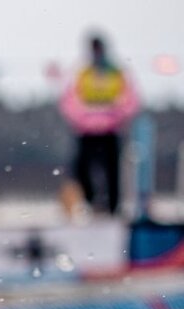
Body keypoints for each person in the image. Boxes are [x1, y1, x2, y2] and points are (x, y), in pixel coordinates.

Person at [59, 34, 140, 215]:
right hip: (86, 132)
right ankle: (90, 202)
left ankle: (112, 208)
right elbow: (68, 100)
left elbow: (131, 100)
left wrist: (114, 118)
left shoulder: (117, 73)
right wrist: (83, 120)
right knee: (81, 169)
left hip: (110, 131)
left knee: (112, 171)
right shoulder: (82, 73)